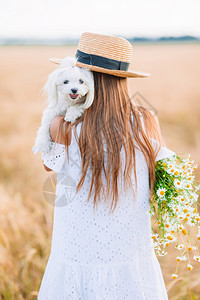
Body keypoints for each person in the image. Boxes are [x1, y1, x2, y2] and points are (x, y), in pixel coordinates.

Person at [33, 32, 175, 299]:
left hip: (75, 245)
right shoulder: (145, 120)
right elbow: (161, 172)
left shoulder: (63, 125)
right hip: (129, 245)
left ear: (89, 78)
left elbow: (49, 166)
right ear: (122, 80)